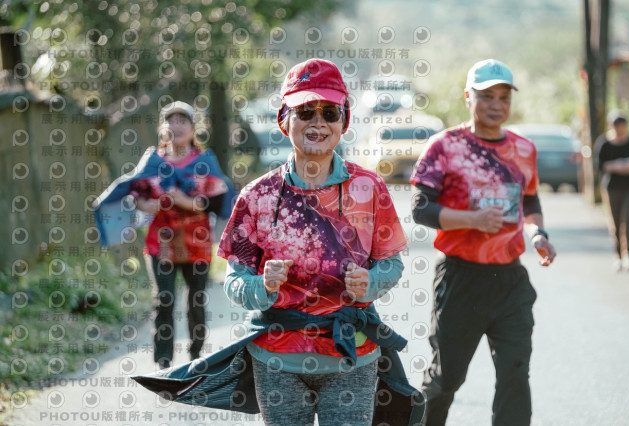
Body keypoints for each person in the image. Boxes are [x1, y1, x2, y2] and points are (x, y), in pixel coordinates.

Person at [216, 58, 410, 426]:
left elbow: (391, 264)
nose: (318, 122)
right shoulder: (256, 196)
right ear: (284, 119)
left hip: (352, 355)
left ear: (344, 122)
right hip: (277, 359)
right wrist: (262, 286)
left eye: (330, 113)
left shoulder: (369, 188)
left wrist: (371, 282)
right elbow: (234, 281)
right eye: (305, 112)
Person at [410, 59, 557, 426]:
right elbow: (420, 208)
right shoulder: (445, 146)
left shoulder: (523, 149)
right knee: (447, 379)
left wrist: (538, 234)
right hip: (461, 278)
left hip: (509, 281)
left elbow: (529, 201)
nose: (496, 104)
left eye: (504, 97)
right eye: (487, 96)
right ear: (468, 97)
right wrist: (471, 220)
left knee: (514, 374)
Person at [94, 101, 235, 369]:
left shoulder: (205, 161)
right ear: (162, 128)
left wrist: (185, 201)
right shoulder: (153, 161)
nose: (176, 126)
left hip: (196, 242)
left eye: (183, 121)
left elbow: (219, 200)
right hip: (162, 242)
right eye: (171, 121)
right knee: (164, 299)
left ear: (193, 129)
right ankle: (163, 363)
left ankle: (196, 358)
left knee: (196, 300)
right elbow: (135, 193)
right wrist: (145, 204)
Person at [596, 111, 629, 272]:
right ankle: (618, 255)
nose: (619, 129)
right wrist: (618, 166)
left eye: (621, 126)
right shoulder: (604, 144)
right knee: (615, 221)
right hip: (612, 187)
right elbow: (600, 165)